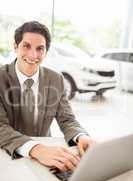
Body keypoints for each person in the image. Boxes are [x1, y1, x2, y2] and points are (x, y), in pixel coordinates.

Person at [0, 21, 95, 172]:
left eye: (40, 49)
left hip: (45, 160)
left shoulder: (56, 79)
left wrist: (80, 136)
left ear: (45, 52)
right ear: (15, 46)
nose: (33, 55)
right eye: (26, 46)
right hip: (10, 155)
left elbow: (67, 119)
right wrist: (37, 149)